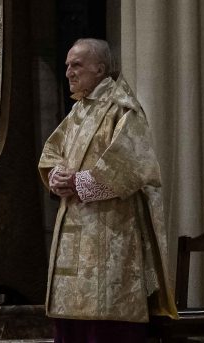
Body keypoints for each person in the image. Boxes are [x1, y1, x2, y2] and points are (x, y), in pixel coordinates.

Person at [39, 39, 177, 342]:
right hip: (74, 230)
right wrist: (55, 177)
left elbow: (131, 168)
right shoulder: (79, 111)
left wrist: (76, 183)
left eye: (76, 65)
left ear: (100, 68)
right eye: (67, 66)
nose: (69, 73)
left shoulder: (123, 109)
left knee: (107, 324)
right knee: (71, 321)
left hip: (110, 232)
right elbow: (52, 154)